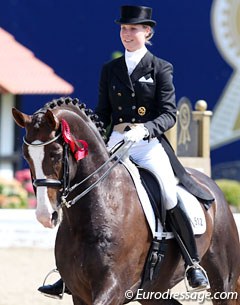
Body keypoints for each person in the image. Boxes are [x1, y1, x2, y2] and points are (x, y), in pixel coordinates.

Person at [38, 5, 209, 297]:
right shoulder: (110, 69)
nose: (127, 34)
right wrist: (98, 138)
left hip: (148, 144)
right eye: (123, 29)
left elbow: (169, 113)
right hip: (116, 142)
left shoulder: (160, 68)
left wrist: (146, 129)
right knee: (82, 190)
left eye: (133, 29)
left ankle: (193, 263)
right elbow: (103, 113)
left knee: (168, 193)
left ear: (147, 32)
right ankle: (67, 273)